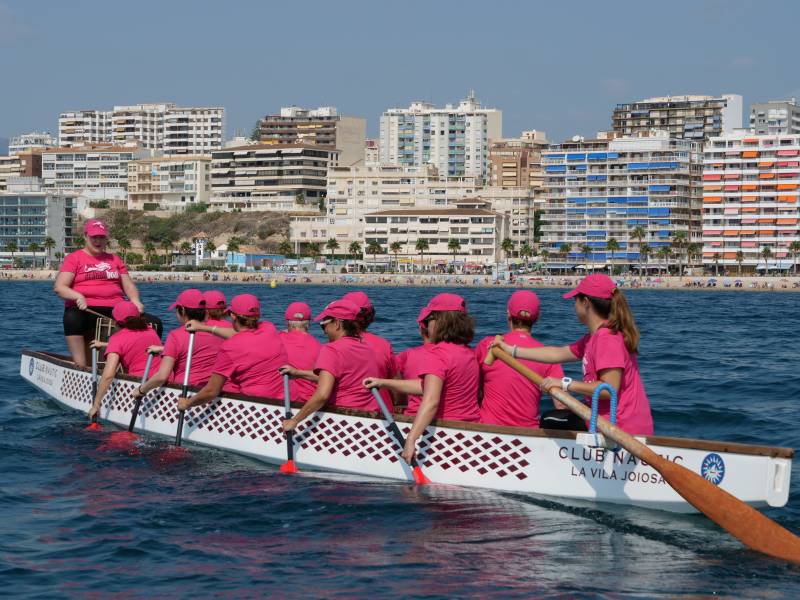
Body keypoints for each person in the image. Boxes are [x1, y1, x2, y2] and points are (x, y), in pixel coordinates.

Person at [490, 273, 654, 435]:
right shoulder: (593, 338)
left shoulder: (607, 339)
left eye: (576, 299)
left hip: (622, 428)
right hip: (607, 421)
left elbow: (608, 389)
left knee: (550, 420)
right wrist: (512, 351)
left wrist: (564, 383)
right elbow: (557, 353)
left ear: (586, 302)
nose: (574, 305)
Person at [364, 293, 480, 464]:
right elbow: (428, 386)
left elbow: (431, 399)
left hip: (445, 437)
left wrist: (411, 440)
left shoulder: (437, 354)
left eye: (429, 319)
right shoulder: (469, 352)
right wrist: (384, 383)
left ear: (440, 321)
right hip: (471, 433)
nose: (427, 325)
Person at [54, 219, 162, 367]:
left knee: (154, 322)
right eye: (94, 237)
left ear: (106, 239)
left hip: (116, 308)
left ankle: (143, 367)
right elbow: (60, 287)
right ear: (86, 237)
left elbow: (128, 286)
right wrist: (78, 296)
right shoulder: (74, 258)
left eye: (101, 237)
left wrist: (136, 301)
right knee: (72, 318)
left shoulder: (114, 259)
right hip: (86, 308)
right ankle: (81, 367)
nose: (98, 241)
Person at [282, 299, 381, 432]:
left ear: (337, 324)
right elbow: (337, 377)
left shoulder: (332, 349)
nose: (324, 331)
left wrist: (295, 420)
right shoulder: (366, 348)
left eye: (324, 325)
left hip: (341, 420)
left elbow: (322, 395)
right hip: (369, 419)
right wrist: (298, 373)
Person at [177, 294, 287, 411]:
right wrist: (205, 328)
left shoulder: (229, 348)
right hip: (286, 402)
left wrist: (187, 403)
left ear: (233, 316)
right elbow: (243, 335)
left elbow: (211, 391)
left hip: (257, 408)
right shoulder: (269, 328)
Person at [475, 290, 564, 428]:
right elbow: (561, 404)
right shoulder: (547, 355)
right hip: (527, 436)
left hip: (488, 432)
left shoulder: (487, 344)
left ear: (508, 314)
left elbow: (474, 390)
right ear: (537, 317)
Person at [132, 289, 224, 402]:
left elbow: (161, 376)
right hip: (212, 393)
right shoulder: (219, 332)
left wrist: (141, 390)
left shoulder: (176, 336)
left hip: (183, 394)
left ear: (183, 310)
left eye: (176, 309)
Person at [88, 301, 162, 420]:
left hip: (139, 386)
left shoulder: (117, 339)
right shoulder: (150, 331)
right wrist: (104, 344)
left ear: (116, 322)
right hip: (161, 382)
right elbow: (134, 343)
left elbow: (108, 375)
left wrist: (96, 403)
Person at [342, 291, 396, 408]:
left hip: (346, 412)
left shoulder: (336, 346)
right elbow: (395, 384)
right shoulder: (384, 345)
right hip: (383, 412)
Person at [278, 301, 322, 402]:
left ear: (287, 322)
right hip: (310, 403)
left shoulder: (277, 340)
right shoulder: (320, 347)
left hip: (286, 401)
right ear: (308, 323)